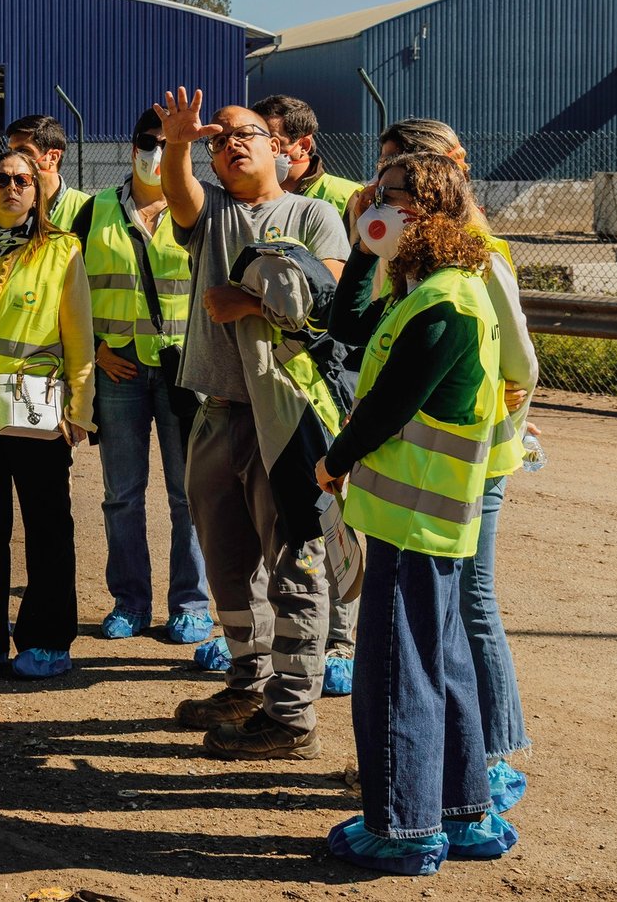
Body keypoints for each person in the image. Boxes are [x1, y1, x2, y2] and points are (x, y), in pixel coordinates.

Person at [318, 151, 518, 874]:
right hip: (425, 518)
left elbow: (391, 401)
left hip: (415, 519)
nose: (374, 201)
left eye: (388, 195)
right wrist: (369, 248)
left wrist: (334, 460)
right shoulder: (426, 286)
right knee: (441, 662)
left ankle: (402, 828)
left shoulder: (444, 300)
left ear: (426, 209)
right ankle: (463, 815)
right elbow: (347, 329)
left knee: (398, 672)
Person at [154, 88, 350, 759]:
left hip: (288, 415)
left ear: (281, 149)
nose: (231, 144)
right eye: (219, 139)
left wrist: (246, 299)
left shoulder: (315, 213)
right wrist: (178, 142)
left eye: (246, 134)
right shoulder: (210, 215)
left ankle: (292, 715)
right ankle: (248, 682)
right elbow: (178, 194)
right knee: (227, 564)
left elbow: (325, 295)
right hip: (217, 411)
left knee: (296, 560)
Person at [371, 117, 537, 812]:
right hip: (430, 464)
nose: (384, 196)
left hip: (469, 462)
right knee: (443, 612)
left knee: (469, 602)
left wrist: (483, 418)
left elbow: (522, 365)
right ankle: (456, 760)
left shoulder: (478, 256)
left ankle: (491, 756)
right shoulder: (407, 258)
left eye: (402, 178)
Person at [0, 149, 96, 679]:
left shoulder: (61, 250)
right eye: (2, 180)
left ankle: (49, 637)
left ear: (39, 190)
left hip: (36, 410)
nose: (13, 188)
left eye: (23, 180)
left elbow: (80, 337)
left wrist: (81, 409)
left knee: (47, 527)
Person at [68, 107, 212, 644]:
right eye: (146, 142)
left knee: (188, 494)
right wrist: (97, 349)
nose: (154, 152)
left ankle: (190, 603)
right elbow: (71, 287)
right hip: (119, 369)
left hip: (184, 371)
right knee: (121, 493)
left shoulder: (198, 206)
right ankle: (129, 601)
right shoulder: (96, 209)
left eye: (164, 142)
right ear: (131, 147)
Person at [251, 94, 366, 693]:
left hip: (330, 372)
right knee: (286, 522)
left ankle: (343, 642)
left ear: (299, 145)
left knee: (333, 511)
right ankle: (278, 640)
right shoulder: (253, 201)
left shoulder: (342, 201)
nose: (265, 150)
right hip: (272, 379)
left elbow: (337, 295)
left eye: (273, 139)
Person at [252, 94, 363, 216]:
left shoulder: (350, 198)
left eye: (273, 142)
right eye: (254, 140)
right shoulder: (242, 194)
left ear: (304, 146)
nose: (260, 150)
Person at [6, 114, 90, 229]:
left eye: (24, 151)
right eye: (11, 151)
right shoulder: (6, 207)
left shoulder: (88, 209)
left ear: (53, 157)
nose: (14, 159)